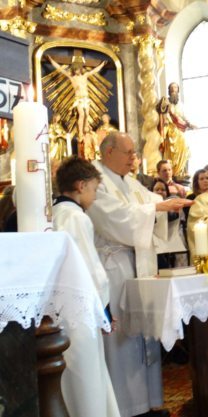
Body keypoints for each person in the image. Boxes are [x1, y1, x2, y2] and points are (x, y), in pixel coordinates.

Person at [86, 131, 193, 417]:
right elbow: (114, 218)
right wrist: (157, 207)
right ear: (108, 152)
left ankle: (147, 403)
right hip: (114, 269)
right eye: (129, 152)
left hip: (138, 265)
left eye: (134, 152)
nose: (134, 158)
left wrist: (169, 209)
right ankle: (124, 407)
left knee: (143, 336)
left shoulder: (130, 183)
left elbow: (149, 205)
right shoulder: (95, 180)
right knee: (121, 339)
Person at [52, 156, 120, 417]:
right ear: (81, 186)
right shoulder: (76, 217)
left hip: (62, 309)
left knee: (74, 379)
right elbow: (90, 269)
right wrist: (104, 309)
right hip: (80, 310)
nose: (95, 196)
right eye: (94, 189)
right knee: (88, 378)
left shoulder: (56, 212)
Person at [47, 55, 106, 140]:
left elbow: (95, 70)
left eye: (78, 69)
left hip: (86, 98)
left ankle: (86, 129)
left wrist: (102, 64)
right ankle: (81, 133)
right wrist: (51, 60)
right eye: (75, 69)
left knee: (86, 115)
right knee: (81, 114)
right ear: (73, 69)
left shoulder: (85, 75)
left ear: (80, 69)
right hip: (79, 99)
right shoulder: (72, 77)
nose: (77, 70)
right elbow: (60, 69)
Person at [157, 83, 195, 178]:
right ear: (169, 91)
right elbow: (161, 110)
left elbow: (184, 117)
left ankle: (182, 171)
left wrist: (190, 124)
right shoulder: (166, 102)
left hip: (179, 131)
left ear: (178, 91)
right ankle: (172, 171)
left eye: (175, 88)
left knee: (185, 149)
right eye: (172, 88)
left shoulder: (180, 105)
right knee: (170, 152)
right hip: (170, 130)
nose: (174, 90)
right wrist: (163, 107)